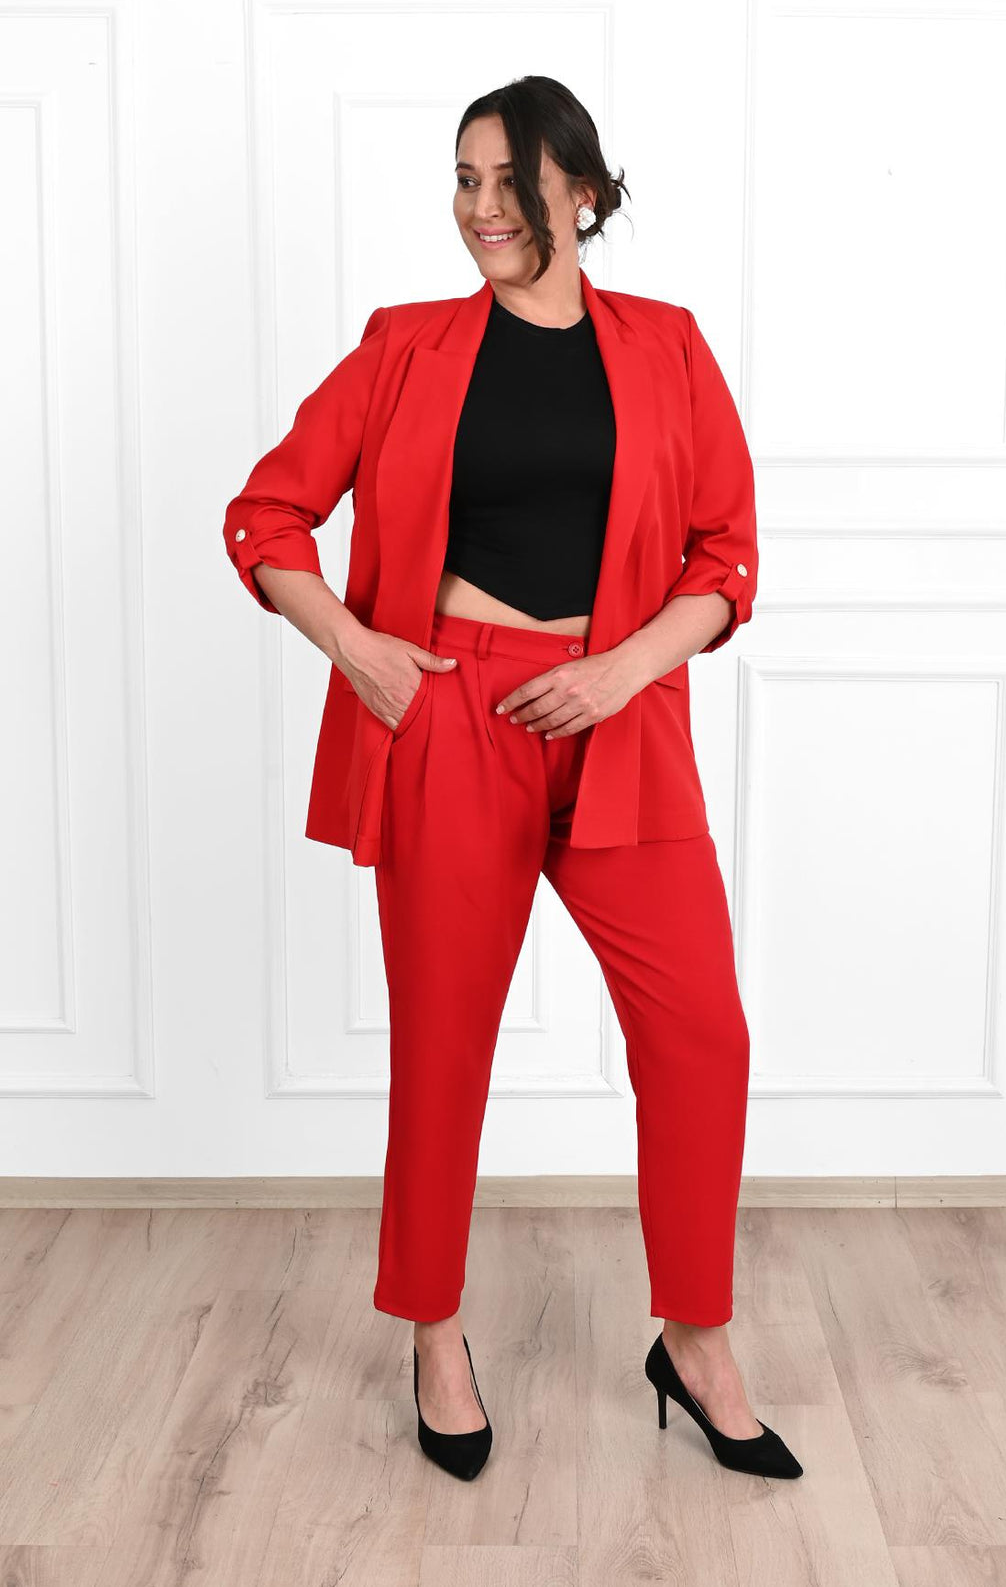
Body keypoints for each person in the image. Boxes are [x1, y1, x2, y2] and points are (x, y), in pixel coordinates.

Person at [223, 74, 803, 1484]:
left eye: (511, 183)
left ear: (581, 195)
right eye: (465, 179)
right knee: (445, 1045)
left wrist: (619, 671)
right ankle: (434, 1333)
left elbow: (727, 556)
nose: (480, 209)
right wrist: (358, 647)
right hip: (451, 713)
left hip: (622, 714)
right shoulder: (406, 347)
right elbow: (266, 515)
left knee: (701, 1032)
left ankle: (696, 1338)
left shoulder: (667, 346)